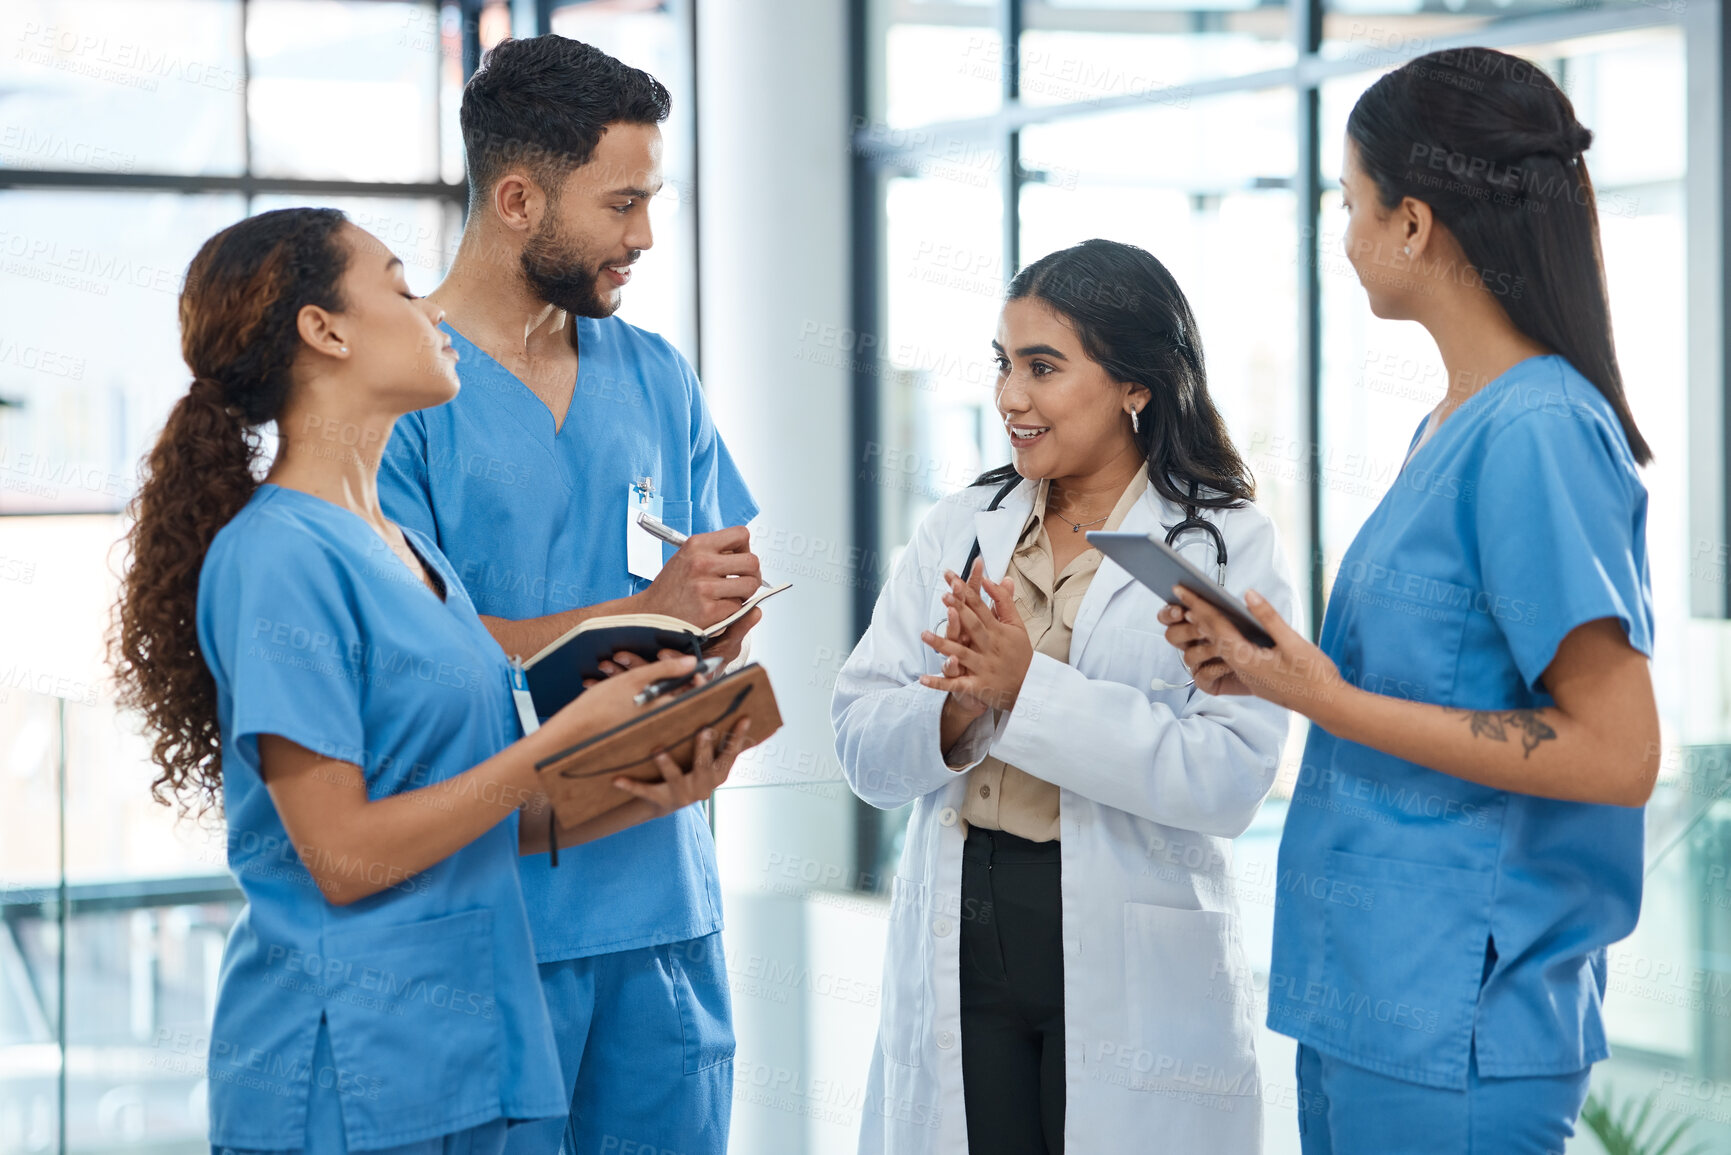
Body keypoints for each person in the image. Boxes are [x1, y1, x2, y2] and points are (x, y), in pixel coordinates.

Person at [109, 207, 749, 1154]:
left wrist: (639, 773)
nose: (434, 315)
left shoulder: (413, 557)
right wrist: (553, 748)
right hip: (342, 1065)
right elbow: (342, 852)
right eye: (402, 290)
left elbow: (474, 811)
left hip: (464, 1054)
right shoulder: (278, 556)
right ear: (324, 332)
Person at [1159, 47, 1659, 1155]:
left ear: (1416, 223)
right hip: (1369, 1004)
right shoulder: (1451, 424)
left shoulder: (1539, 430)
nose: (1344, 237)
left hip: (1462, 1024)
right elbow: (1409, 692)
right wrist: (1266, 672)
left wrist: (1329, 702)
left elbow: (1617, 753)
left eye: (1351, 203)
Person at [375, 36, 760, 1155]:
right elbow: (412, 654)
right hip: (487, 919)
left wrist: (721, 633)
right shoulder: (400, 396)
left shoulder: (655, 376)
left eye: (653, 200)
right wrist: (643, 616)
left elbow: (715, 594)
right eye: (622, 203)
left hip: (661, 909)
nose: (644, 235)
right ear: (516, 199)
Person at [833, 239, 1296, 1153]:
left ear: (1136, 384)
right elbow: (858, 737)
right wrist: (960, 710)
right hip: (965, 921)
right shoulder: (961, 526)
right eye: (1004, 364)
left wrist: (1025, 687)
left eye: (1043, 367)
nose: (1011, 396)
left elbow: (1229, 777)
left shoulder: (1220, 542)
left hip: (1128, 940)